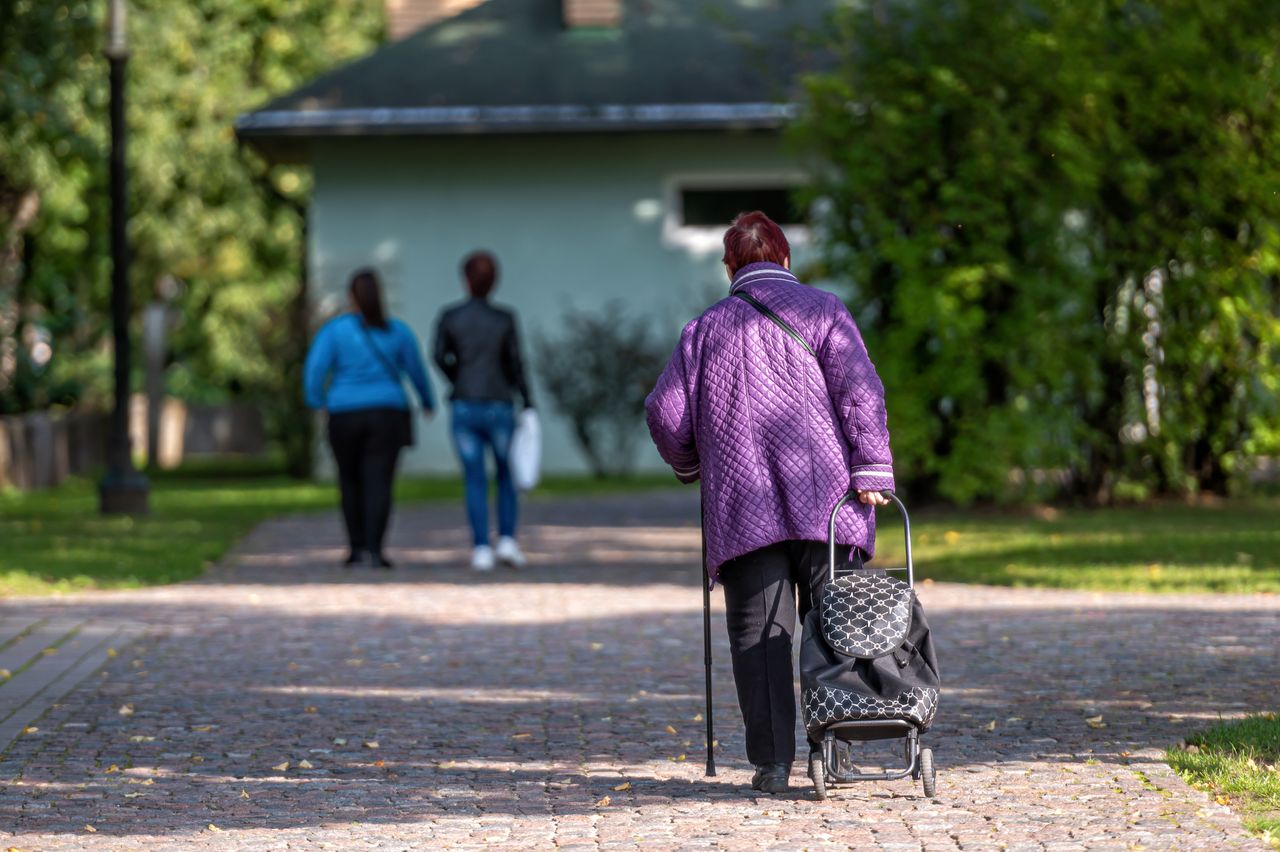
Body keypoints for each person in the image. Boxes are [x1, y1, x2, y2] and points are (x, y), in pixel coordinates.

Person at [645, 211, 895, 794]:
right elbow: (862, 391)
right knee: (834, 624)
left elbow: (664, 412)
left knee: (760, 634)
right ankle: (832, 749)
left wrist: (691, 463)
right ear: (785, 260)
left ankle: (773, 764)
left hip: (742, 506)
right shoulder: (825, 309)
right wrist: (871, 468)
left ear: (730, 266)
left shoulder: (702, 331)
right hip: (827, 498)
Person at [304, 269, 435, 569]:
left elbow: (315, 369)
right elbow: (416, 370)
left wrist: (317, 400)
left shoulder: (335, 331)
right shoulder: (397, 331)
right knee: (380, 482)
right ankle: (376, 549)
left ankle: (355, 547)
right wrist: (426, 401)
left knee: (349, 480)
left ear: (351, 297)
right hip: (387, 413)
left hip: (344, 413)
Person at [433, 250, 534, 572]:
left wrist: (456, 379)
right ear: (495, 282)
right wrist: (528, 400)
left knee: (474, 478)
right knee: (506, 474)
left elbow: (437, 355)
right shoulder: (504, 319)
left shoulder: (450, 317)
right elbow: (516, 363)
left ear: (465, 279)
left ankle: (480, 547)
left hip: (464, 404)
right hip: (500, 404)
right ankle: (507, 539)